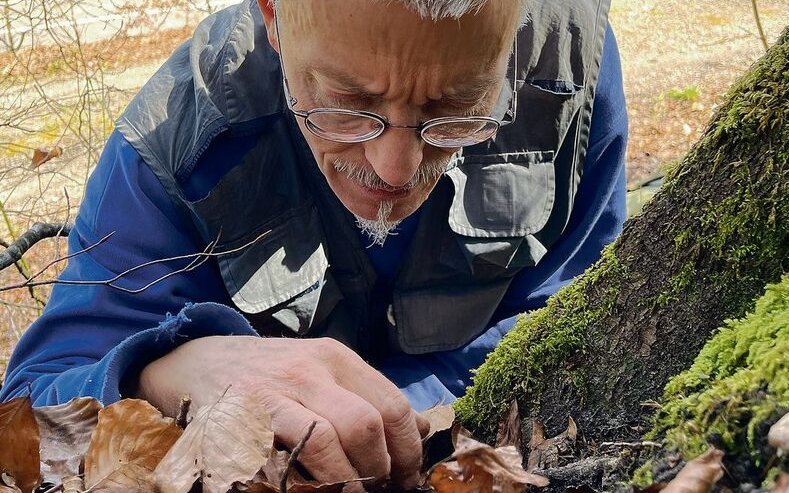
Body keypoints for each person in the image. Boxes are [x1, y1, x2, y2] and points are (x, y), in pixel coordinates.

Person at [1, 0, 627, 489]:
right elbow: (31, 408)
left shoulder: (574, 74)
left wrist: (398, 408)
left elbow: (590, 313)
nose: (395, 168)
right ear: (273, 15)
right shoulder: (177, 142)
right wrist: (161, 371)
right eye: (347, 103)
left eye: (458, 107)